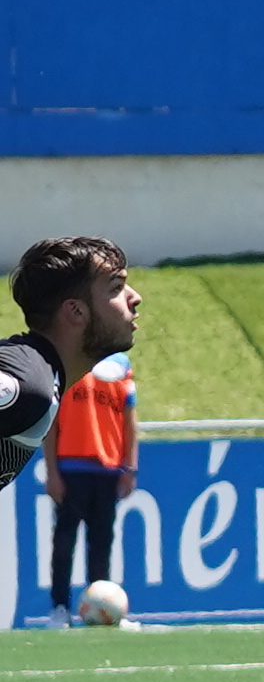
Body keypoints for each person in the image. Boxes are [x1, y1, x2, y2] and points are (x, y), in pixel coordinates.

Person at [8, 241, 141, 617]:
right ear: (76, 311)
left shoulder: (43, 382)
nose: (136, 298)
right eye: (116, 288)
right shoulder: (26, 386)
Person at [46, 341, 135, 621]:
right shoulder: (66, 360)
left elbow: (130, 419)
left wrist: (129, 468)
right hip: (70, 466)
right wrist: (52, 472)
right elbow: (51, 422)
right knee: (64, 542)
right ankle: (60, 608)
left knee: (101, 543)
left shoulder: (120, 365)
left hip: (107, 469)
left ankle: (102, 608)